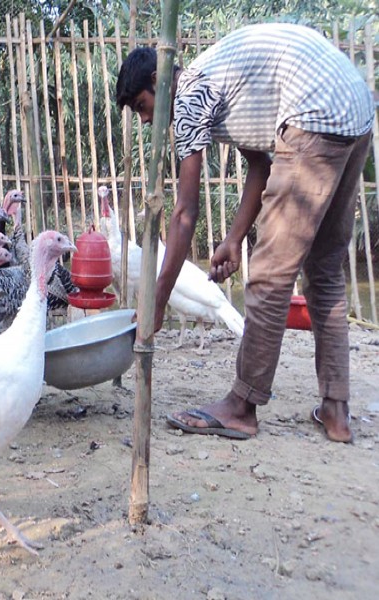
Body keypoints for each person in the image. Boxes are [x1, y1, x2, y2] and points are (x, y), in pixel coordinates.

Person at [116, 23, 374, 443]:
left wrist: (157, 301)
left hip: (315, 113)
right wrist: (234, 238)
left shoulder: (187, 95)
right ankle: (335, 409)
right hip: (354, 109)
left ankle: (242, 406)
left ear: (157, 82)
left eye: (143, 106)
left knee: (270, 275)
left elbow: (184, 213)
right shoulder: (218, 81)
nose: (145, 119)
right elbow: (260, 164)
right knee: (325, 271)